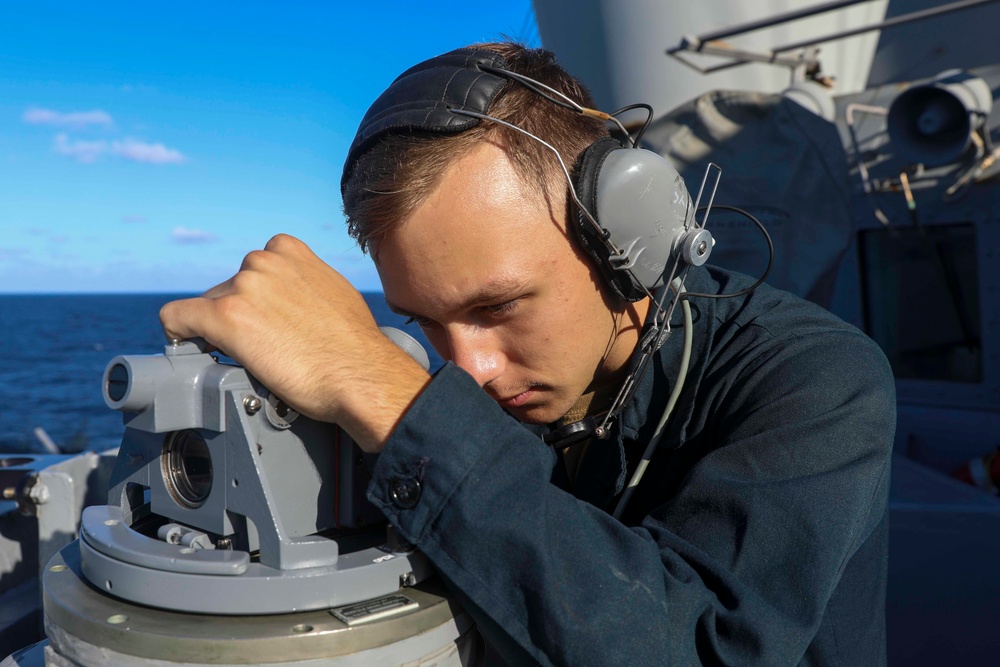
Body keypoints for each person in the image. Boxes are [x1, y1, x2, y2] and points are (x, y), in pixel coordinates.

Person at [161, 42, 895, 666]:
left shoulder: (821, 380)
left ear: (623, 240)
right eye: (426, 322)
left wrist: (380, 388)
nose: (468, 369)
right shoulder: (501, 382)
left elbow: (703, 642)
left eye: (497, 306)